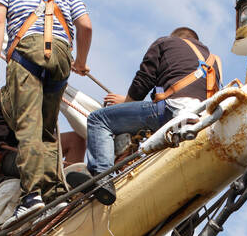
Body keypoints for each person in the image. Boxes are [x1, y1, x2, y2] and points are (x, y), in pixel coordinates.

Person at [0, 0, 92, 218]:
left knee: (27, 124)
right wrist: (81, 61)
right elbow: (85, 25)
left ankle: (31, 195)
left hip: (27, 51)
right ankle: (55, 193)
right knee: (47, 129)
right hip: (61, 55)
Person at [84, 28, 221, 203]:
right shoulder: (213, 60)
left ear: (177, 37)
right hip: (202, 120)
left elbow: (144, 80)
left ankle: (103, 178)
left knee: (98, 119)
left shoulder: (165, 42)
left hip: (172, 111)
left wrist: (127, 103)